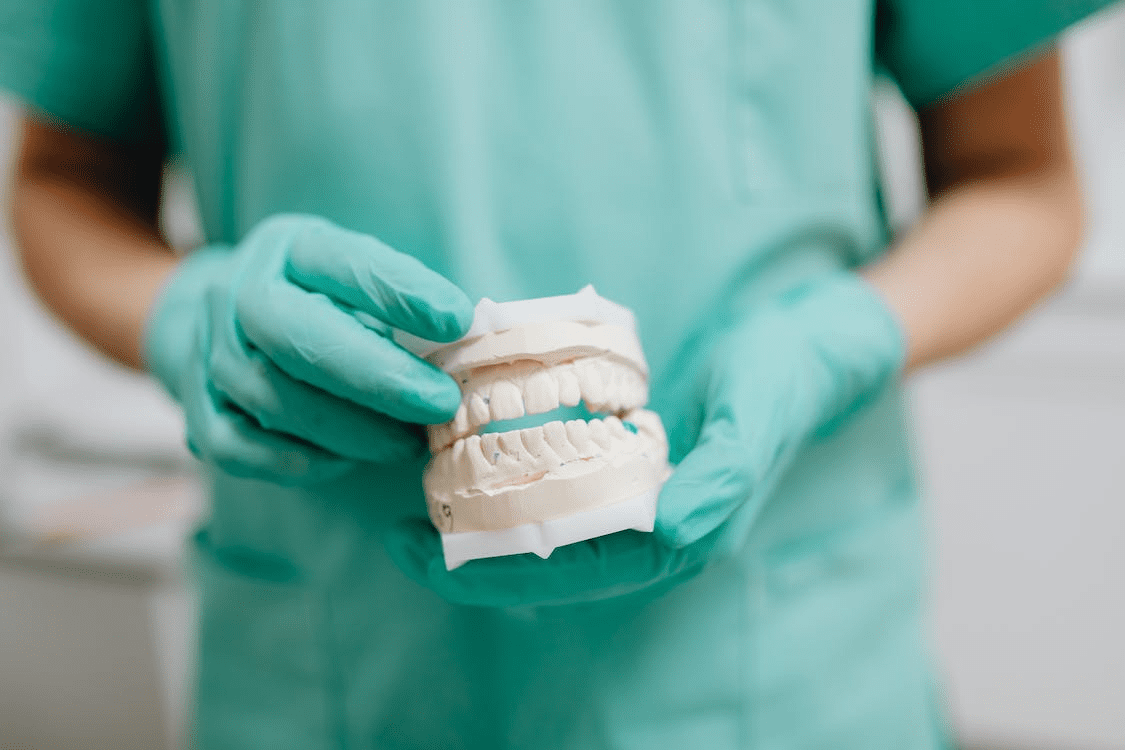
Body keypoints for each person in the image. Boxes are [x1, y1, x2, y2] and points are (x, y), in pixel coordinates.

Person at [1, 1, 1115, 747]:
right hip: (333, 672)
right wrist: (183, 315)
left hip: (779, 674)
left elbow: (1021, 176)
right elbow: (65, 177)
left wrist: (847, 334)